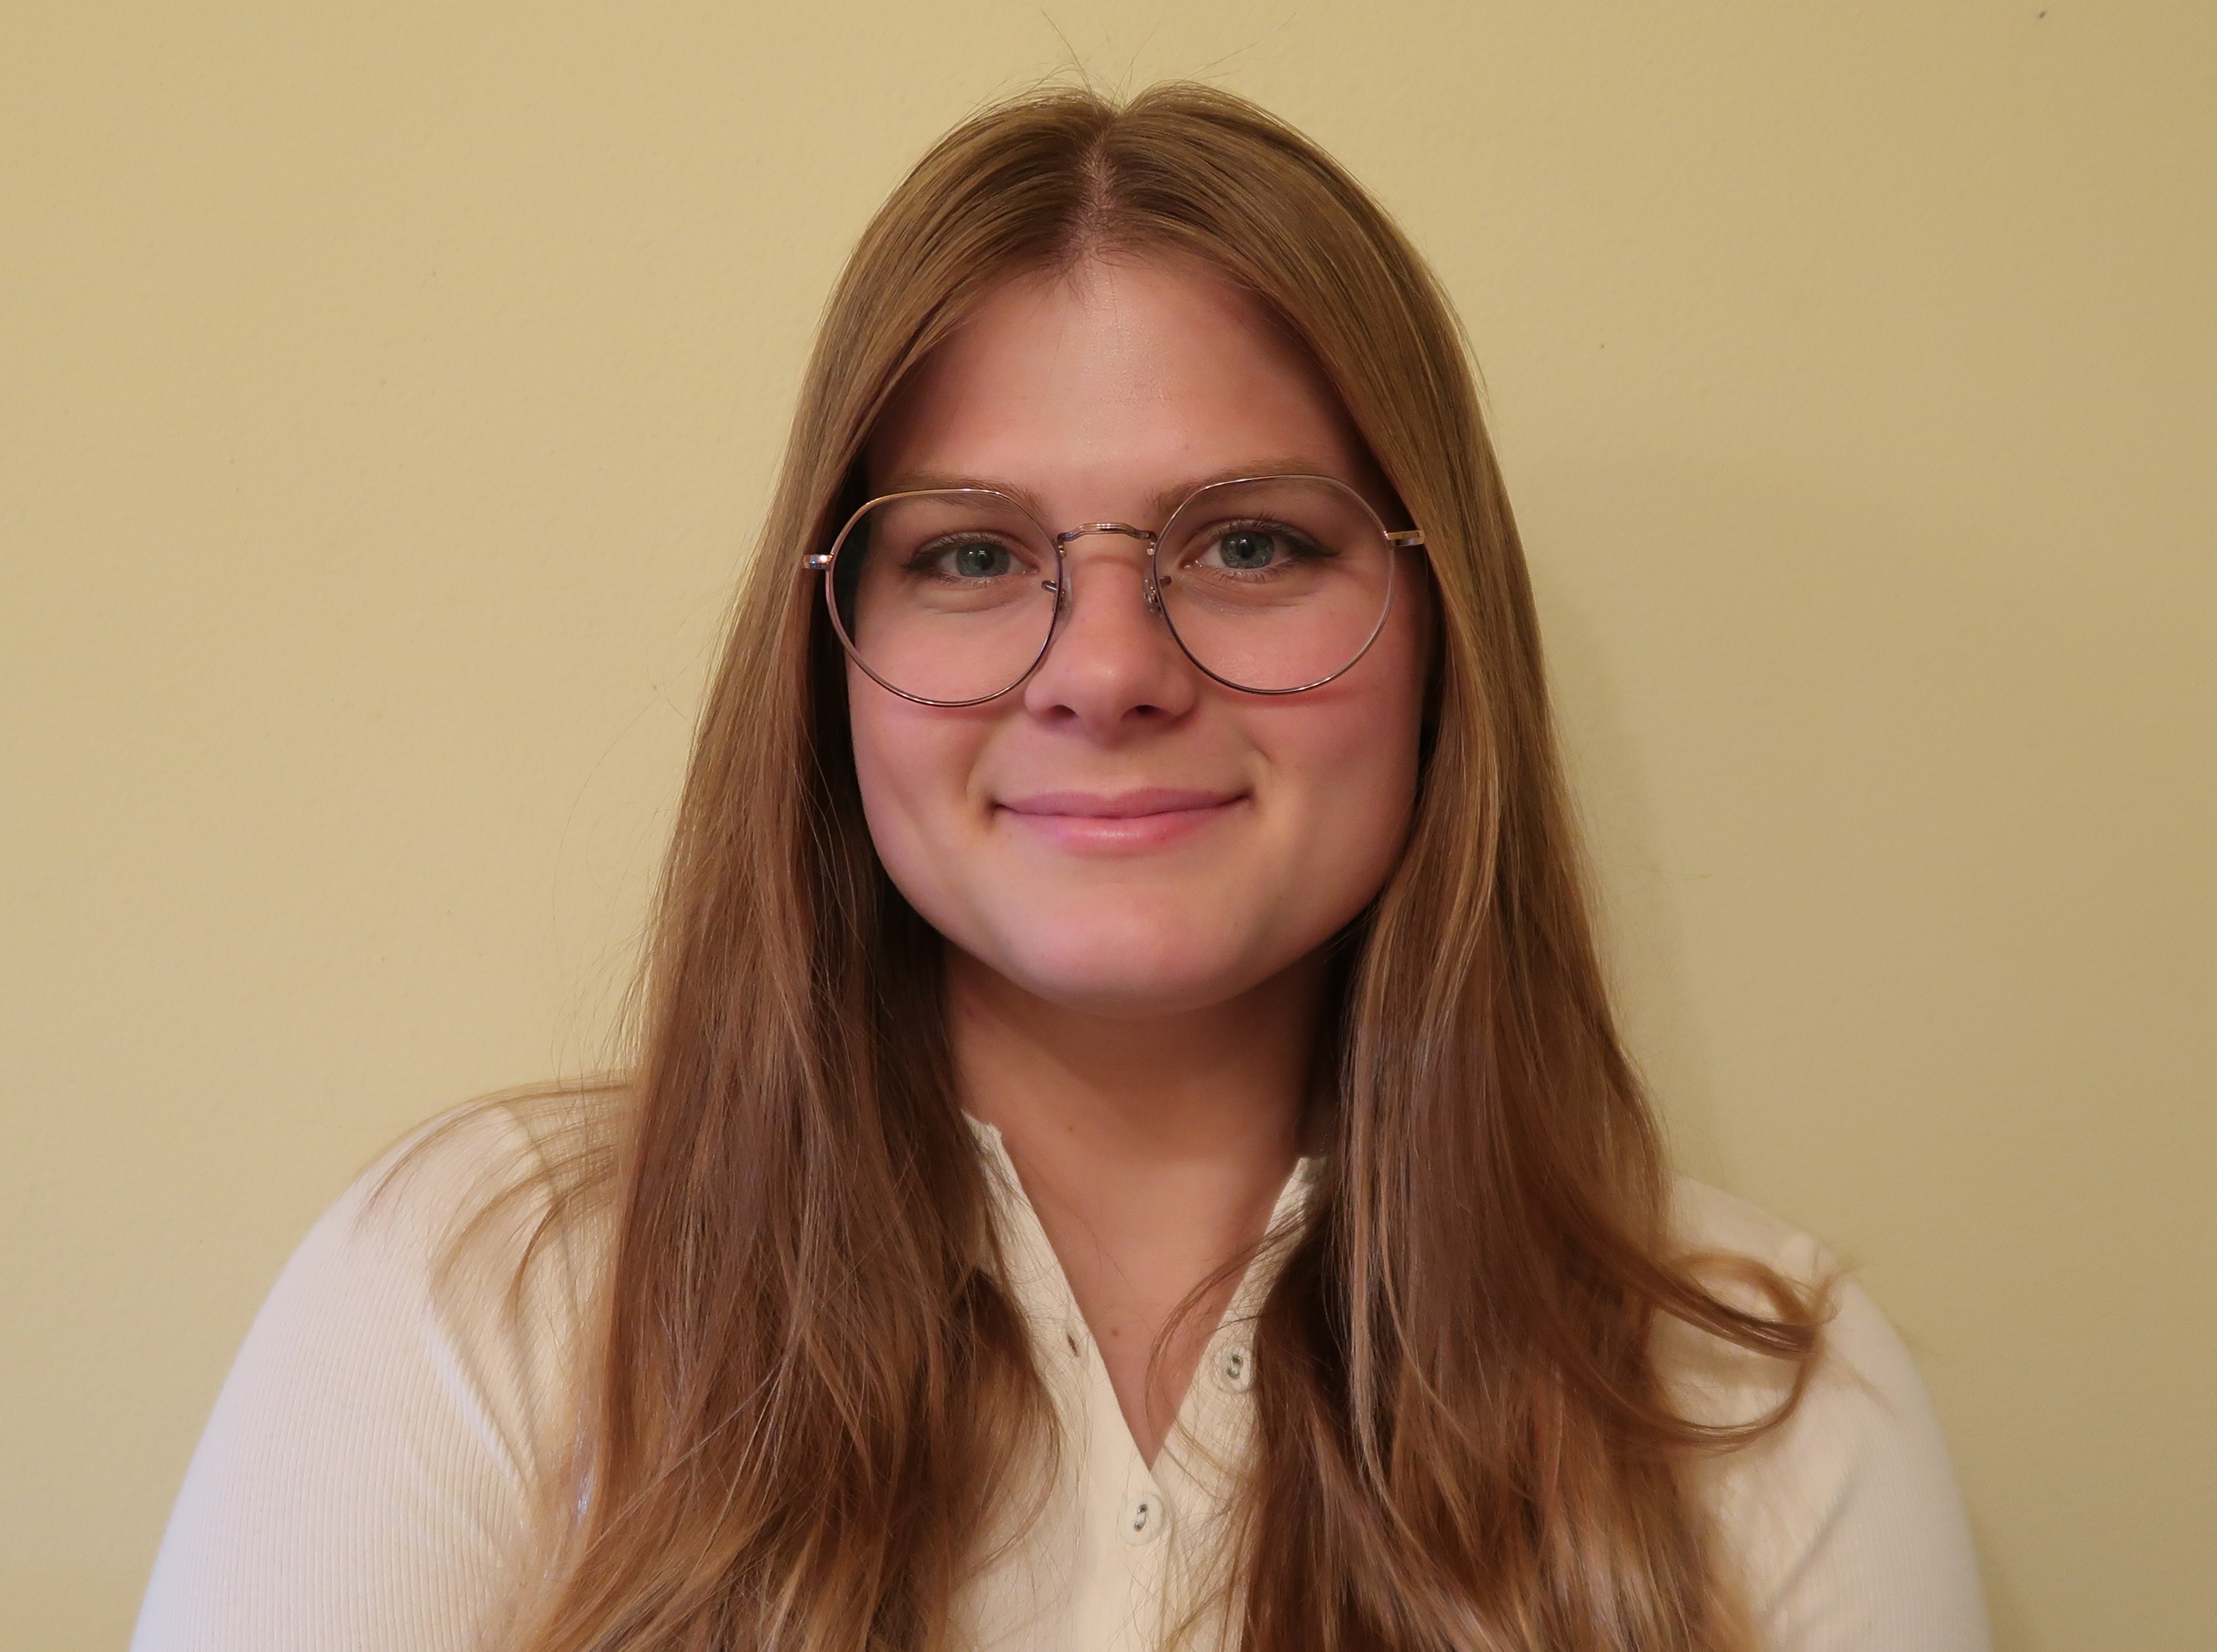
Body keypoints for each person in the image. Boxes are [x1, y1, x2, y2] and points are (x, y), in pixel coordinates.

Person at [132, 83, 1989, 1652]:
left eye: (1253, 543)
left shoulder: (1758, 1401)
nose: (1107, 669)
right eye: (966, 555)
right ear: (828, 650)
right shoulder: (494, 1295)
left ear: (1444, 635)